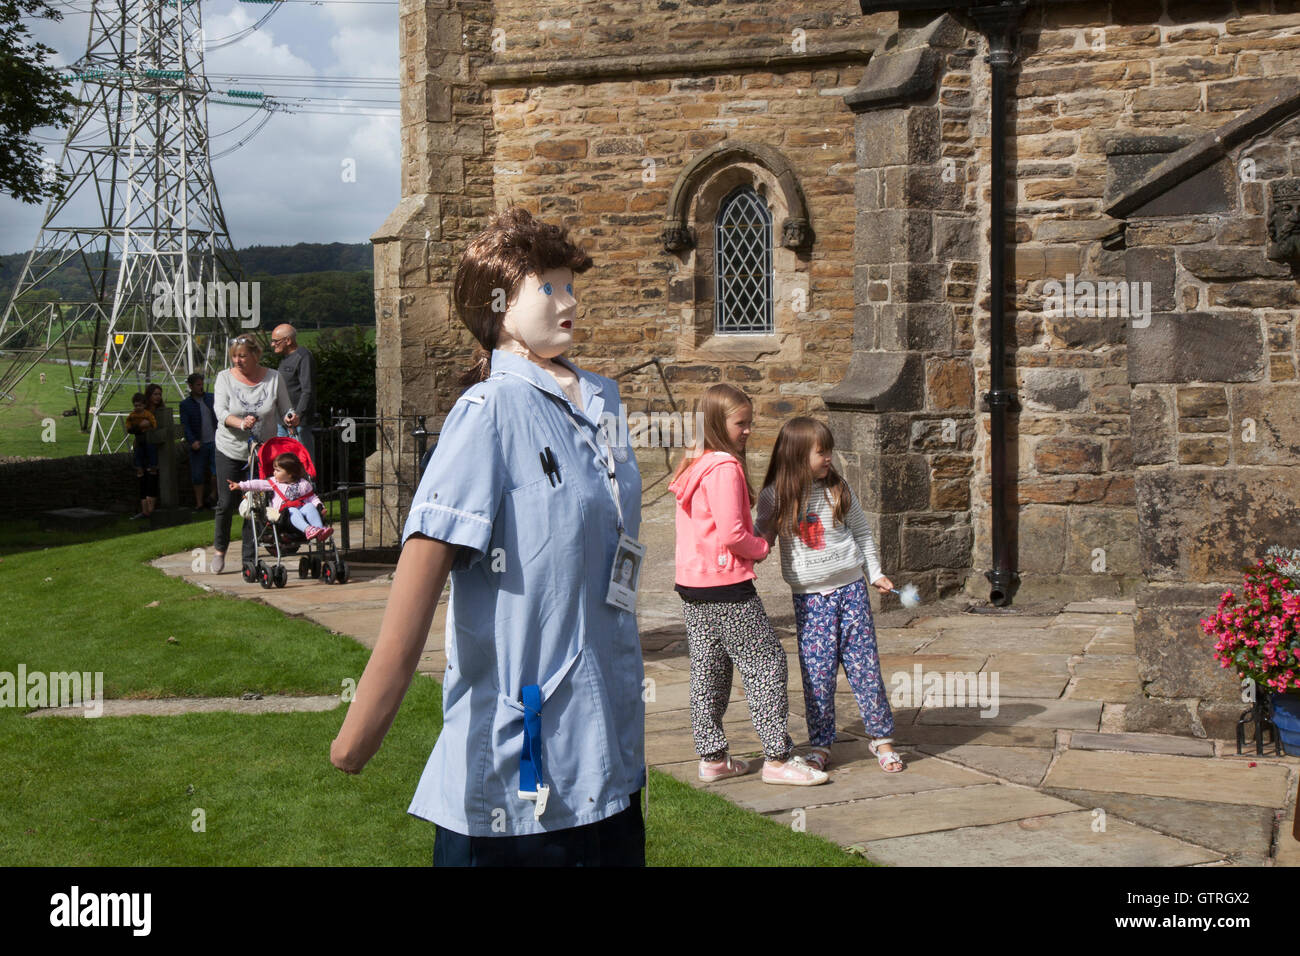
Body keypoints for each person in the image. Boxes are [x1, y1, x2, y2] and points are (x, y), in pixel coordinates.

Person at [330, 206, 646, 867]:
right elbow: (422, 565)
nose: (570, 300)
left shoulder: (604, 403)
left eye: (571, 285)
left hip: (612, 754)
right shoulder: (489, 413)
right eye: (549, 286)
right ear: (497, 305)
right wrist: (362, 730)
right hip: (519, 778)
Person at [669, 384, 828, 787]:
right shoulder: (723, 467)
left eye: (750, 422)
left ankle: (712, 757)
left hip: (692, 585)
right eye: (741, 423)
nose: (748, 430)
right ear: (718, 424)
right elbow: (733, 533)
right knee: (766, 662)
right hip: (726, 586)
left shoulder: (694, 462)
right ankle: (777, 758)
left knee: (710, 669)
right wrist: (759, 547)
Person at [755, 417, 903, 773]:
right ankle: (821, 744)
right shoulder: (775, 497)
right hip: (810, 600)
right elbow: (760, 542)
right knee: (817, 674)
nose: (829, 459)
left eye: (829, 451)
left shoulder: (837, 488)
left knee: (864, 667)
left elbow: (863, 532)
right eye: (821, 452)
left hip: (852, 591)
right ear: (796, 455)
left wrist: (875, 572)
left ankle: (882, 739)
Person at [211, 335, 299, 576]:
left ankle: (249, 558)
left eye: (242, 356)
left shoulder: (273, 378)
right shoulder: (224, 378)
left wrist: (291, 416)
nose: (237, 361)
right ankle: (220, 549)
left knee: (256, 505)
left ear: (255, 355)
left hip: (262, 452)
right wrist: (241, 423)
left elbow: (285, 408)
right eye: (234, 357)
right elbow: (220, 411)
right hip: (230, 448)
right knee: (227, 502)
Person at [228, 451, 333, 540]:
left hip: (302, 515)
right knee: (292, 510)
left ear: (290, 474)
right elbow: (257, 484)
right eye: (274, 470)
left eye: (278, 470)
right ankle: (308, 529)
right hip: (284, 519)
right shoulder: (274, 483)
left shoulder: (303, 484)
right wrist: (240, 485)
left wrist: (320, 506)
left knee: (310, 506)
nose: (274, 473)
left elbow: (312, 498)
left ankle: (320, 530)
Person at [271, 324, 317, 462]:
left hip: (298, 423)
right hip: (282, 421)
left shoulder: (303, 357)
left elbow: (307, 390)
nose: (273, 344)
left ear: (288, 341)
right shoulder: (285, 358)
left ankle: (309, 484)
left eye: (276, 341)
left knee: (302, 463)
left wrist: (298, 415)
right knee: (284, 464)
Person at [180, 372, 218, 510]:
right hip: (198, 443)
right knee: (197, 475)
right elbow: (186, 425)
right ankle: (199, 503)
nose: (201, 387)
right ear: (190, 386)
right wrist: (192, 441)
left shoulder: (211, 398)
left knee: (216, 472)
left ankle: (213, 497)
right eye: (198, 385)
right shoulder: (185, 404)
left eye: (202, 384)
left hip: (215, 441)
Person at [123, 392, 157, 520]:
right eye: (135, 405)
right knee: (140, 463)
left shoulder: (147, 415)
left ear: (144, 405)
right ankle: (139, 468)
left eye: (139, 405)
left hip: (148, 441)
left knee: (150, 465)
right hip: (139, 442)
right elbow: (129, 427)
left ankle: (149, 509)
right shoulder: (132, 416)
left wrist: (150, 425)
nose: (137, 407)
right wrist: (138, 427)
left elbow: (153, 423)